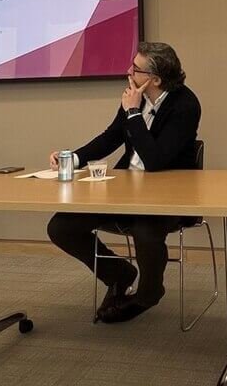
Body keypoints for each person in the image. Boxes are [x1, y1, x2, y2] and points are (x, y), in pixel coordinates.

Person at [47, 42, 201, 324]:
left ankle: (148, 294)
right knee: (61, 226)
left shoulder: (185, 105)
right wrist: (74, 157)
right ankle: (118, 274)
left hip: (169, 197)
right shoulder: (134, 98)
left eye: (135, 68)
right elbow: (111, 137)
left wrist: (133, 114)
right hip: (124, 191)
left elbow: (155, 161)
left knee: (145, 232)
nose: (128, 71)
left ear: (155, 79)